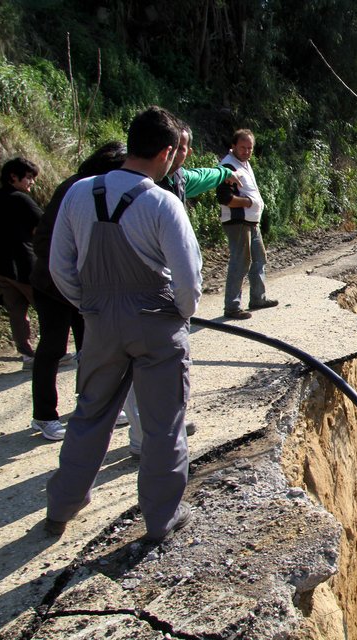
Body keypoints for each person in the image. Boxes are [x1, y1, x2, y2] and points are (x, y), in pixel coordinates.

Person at [46, 106, 201, 543]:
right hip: (156, 322)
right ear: (167, 153)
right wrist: (180, 314)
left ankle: (63, 504)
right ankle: (161, 519)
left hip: (98, 323)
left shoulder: (79, 193)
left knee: (90, 414)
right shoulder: (162, 202)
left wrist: (92, 305)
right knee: (162, 424)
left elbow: (60, 266)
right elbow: (188, 280)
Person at [121, 122, 242, 456]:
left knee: (157, 375)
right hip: (150, 296)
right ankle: (145, 439)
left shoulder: (177, 180)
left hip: (132, 300)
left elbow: (205, 175)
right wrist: (184, 306)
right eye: (179, 148)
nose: (182, 154)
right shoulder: (154, 196)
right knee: (138, 374)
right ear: (165, 150)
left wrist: (224, 173)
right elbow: (184, 266)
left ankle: (155, 430)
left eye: (186, 147)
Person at [29, 142, 127, 441]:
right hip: (53, 285)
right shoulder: (76, 190)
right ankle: (44, 415)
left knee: (93, 347)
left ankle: (90, 402)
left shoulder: (102, 191)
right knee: (53, 349)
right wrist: (69, 281)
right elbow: (47, 242)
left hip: (85, 286)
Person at [0, 157, 42, 369]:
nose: (31, 182)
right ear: (13, 177)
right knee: (48, 307)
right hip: (23, 266)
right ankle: (55, 352)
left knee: (17, 313)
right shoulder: (21, 199)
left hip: (0, 267)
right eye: (28, 178)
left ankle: (27, 355)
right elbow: (42, 228)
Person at [216, 129, 278, 320]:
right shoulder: (228, 166)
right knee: (240, 262)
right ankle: (232, 307)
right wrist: (248, 203)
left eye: (250, 148)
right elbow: (224, 198)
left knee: (259, 258)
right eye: (243, 147)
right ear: (233, 146)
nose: (247, 151)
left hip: (251, 221)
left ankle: (258, 298)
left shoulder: (244, 164)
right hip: (238, 222)